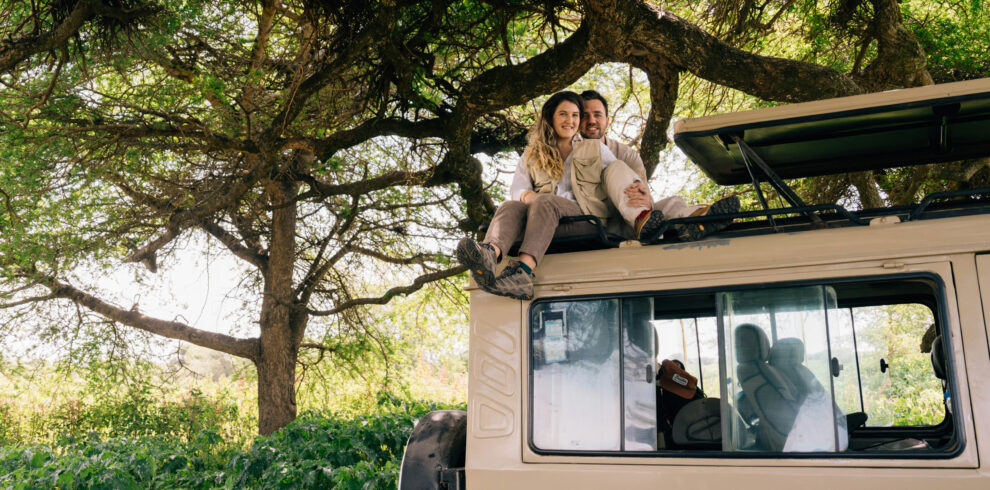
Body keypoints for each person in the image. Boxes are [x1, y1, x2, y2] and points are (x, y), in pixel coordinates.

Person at [456, 91, 664, 300]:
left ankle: (523, 273)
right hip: (542, 222)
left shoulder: (595, 149)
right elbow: (517, 189)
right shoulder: (532, 154)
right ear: (550, 118)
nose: (570, 121)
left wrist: (640, 191)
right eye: (563, 114)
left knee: (546, 201)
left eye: (575, 115)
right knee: (510, 206)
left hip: (583, 220)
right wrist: (530, 197)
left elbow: (618, 174)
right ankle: (489, 254)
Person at [579, 90, 739, 241]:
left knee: (674, 202)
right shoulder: (571, 152)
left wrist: (641, 193)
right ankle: (641, 220)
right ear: (577, 120)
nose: (591, 120)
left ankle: (694, 221)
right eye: (585, 116)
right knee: (616, 168)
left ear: (607, 121)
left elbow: (645, 195)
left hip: (634, 220)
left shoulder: (627, 154)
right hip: (606, 223)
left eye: (597, 115)